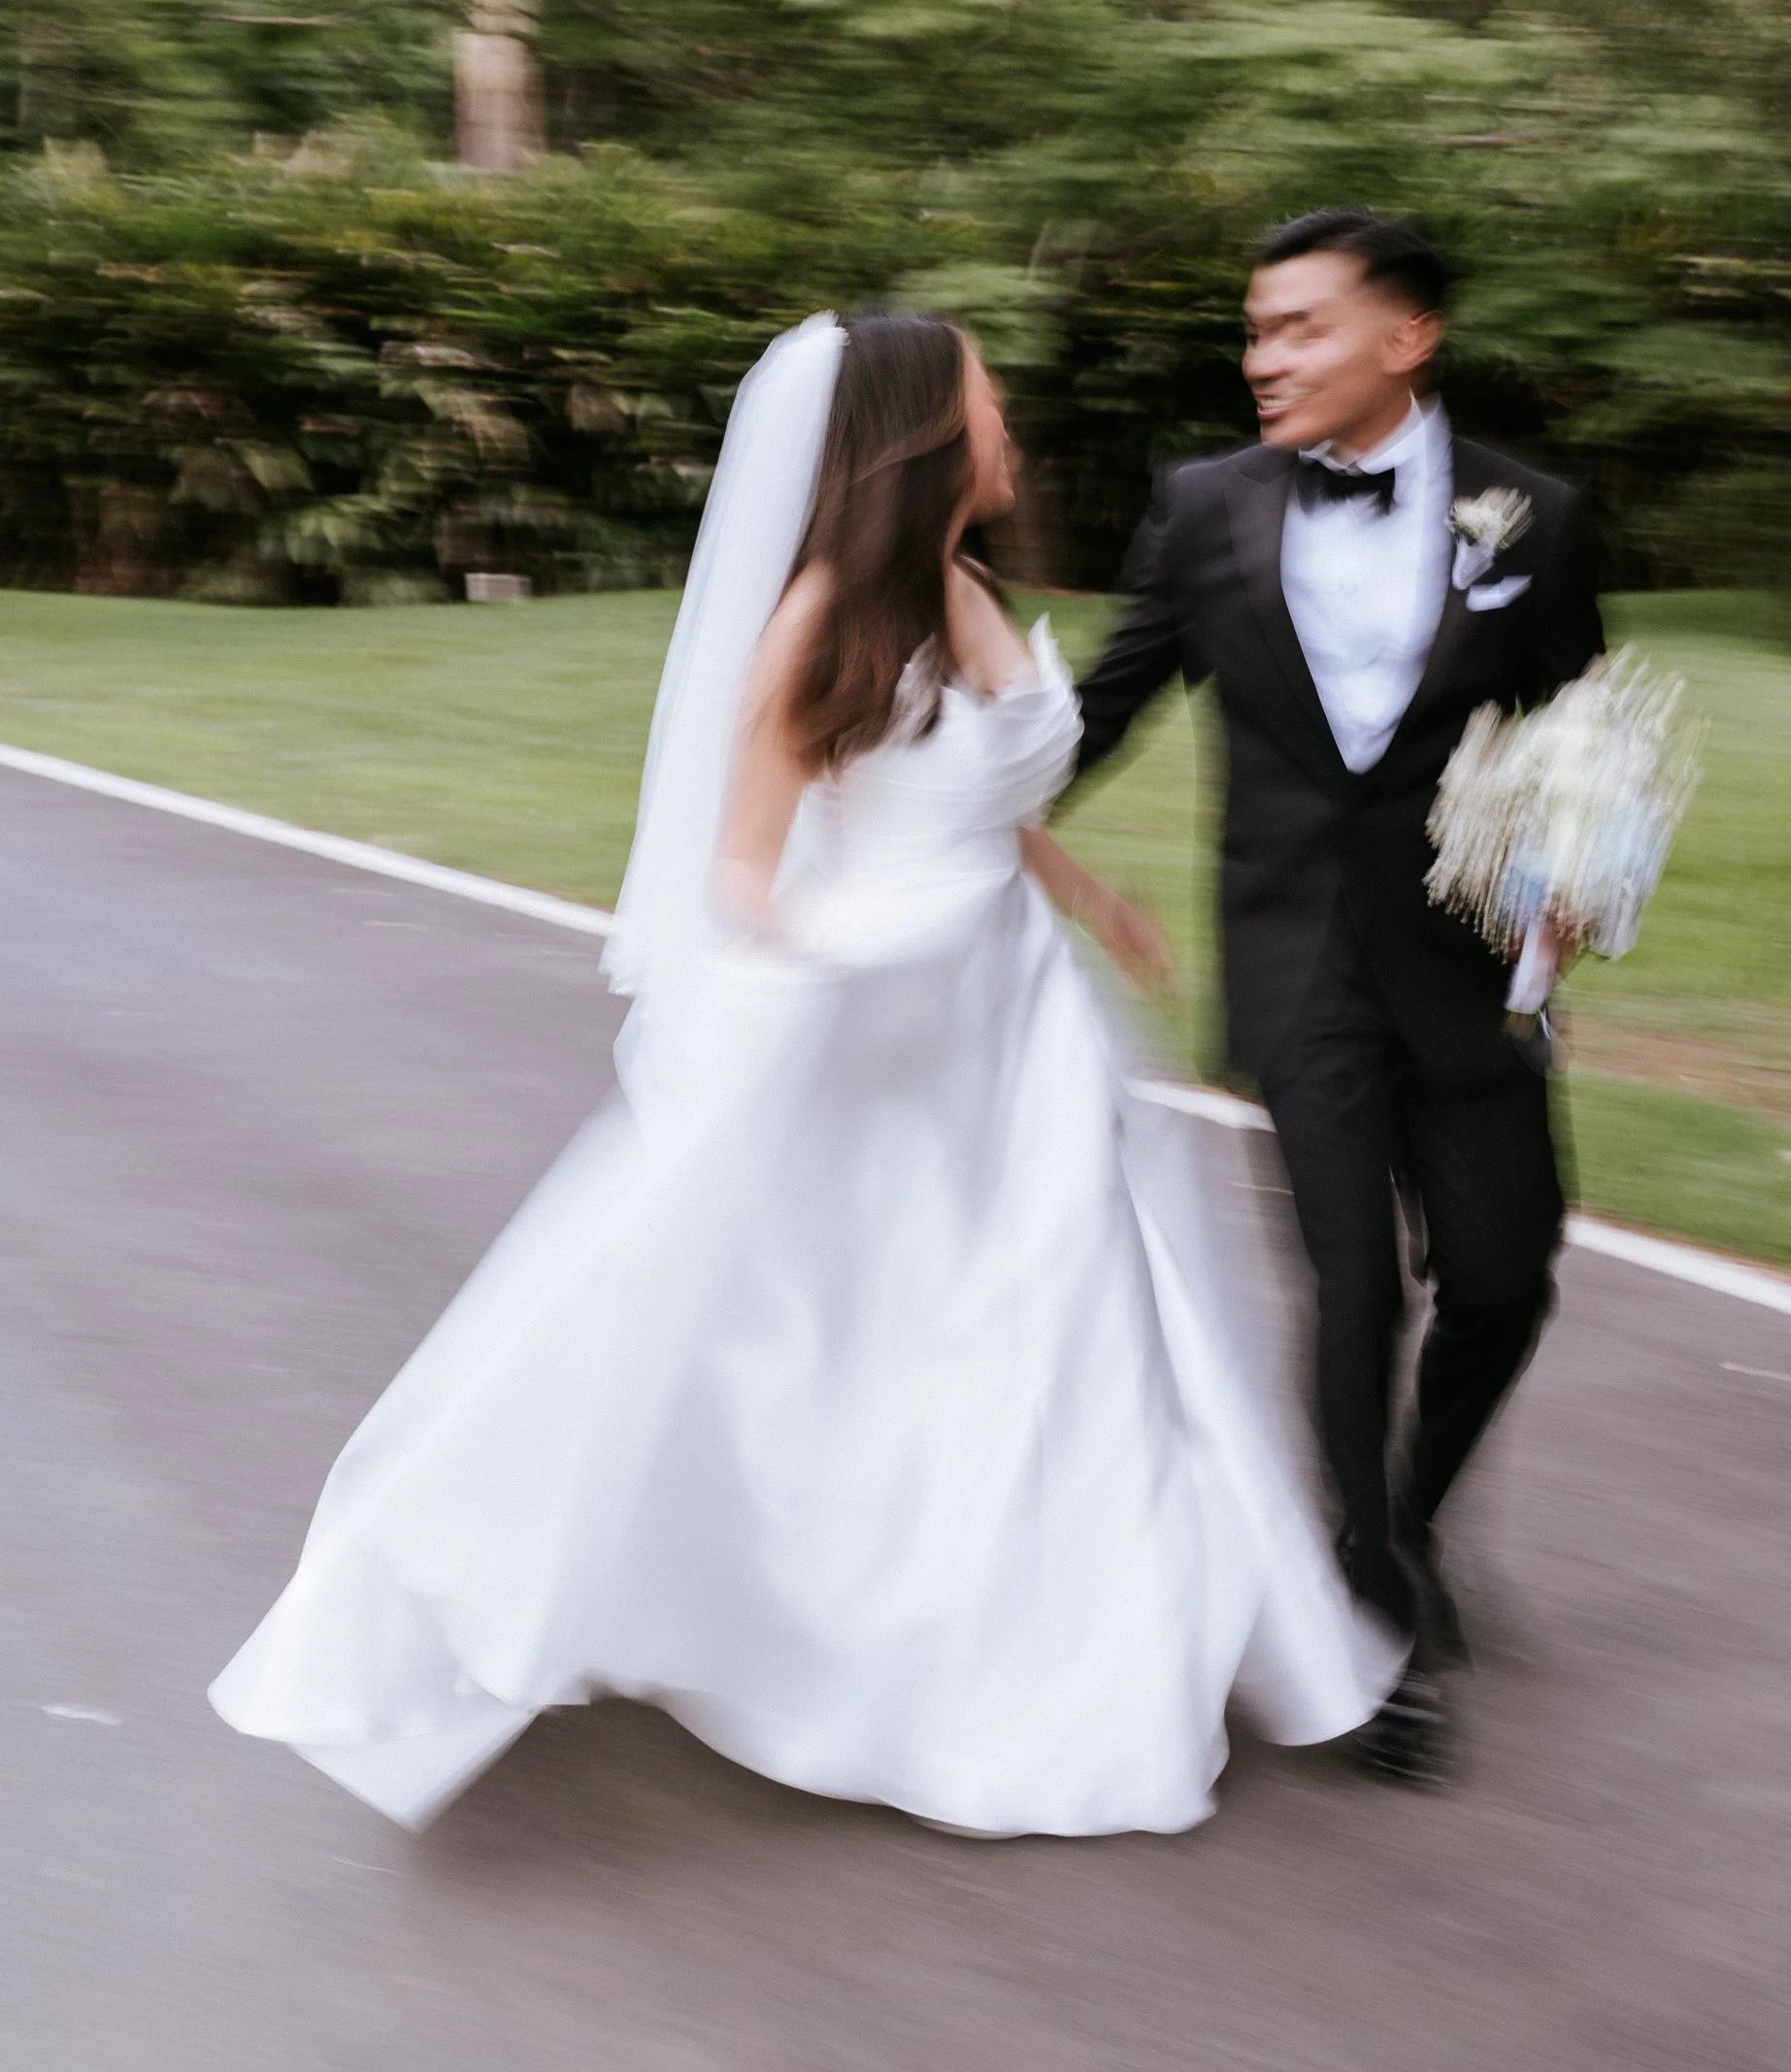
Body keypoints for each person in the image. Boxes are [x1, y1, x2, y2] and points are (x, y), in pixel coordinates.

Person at [212, 312, 1397, 1837]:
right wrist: (807, 980)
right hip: (883, 1020)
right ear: (921, 435)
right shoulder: (821, 617)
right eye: (988, 400)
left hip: (1017, 1028)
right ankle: (839, 1637)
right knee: (834, 1330)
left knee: (1067, 1319)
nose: (1011, 422)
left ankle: (1056, 1640)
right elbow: (743, 862)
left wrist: (1086, 895)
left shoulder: (967, 588)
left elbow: (978, 787)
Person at [1072, 213, 1605, 1783]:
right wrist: (938, 789)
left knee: (1507, 1276)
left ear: (1406, 337)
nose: (1263, 360)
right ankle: (1365, 1616)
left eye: (1298, 328)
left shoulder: (1538, 516)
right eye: (1255, 331)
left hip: (1471, 968)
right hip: (1296, 966)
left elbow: (1577, 735)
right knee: (1349, 1284)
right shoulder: (1204, 507)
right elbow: (1099, 709)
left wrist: (1571, 902)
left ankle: (1410, 1521)